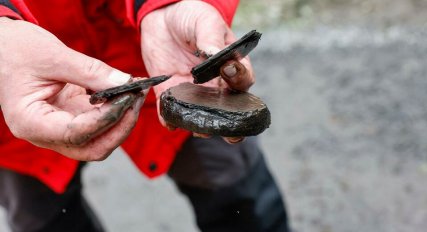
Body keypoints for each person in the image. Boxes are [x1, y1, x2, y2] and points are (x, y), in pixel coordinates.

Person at [0, 0, 290, 231]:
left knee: (236, 193)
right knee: (44, 217)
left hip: (164, 56)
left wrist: (167, 3)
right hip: (16, 82)